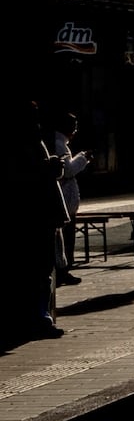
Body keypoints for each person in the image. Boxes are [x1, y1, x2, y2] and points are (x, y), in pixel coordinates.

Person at [8, 100, 68, 339]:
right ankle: (39, 317)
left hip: (39, 212)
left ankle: (39, 315)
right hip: (34, 212)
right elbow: (23, 176)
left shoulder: (33, 140)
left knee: (40, 267)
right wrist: (50, 165)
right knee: (39, 267)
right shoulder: (23, 143)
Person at [52, 111, 92, 286]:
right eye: (74, 127)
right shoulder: (59, 144)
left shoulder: (60, 143)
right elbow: (67, 170)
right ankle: (63, 270)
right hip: (65, 199)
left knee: (65, 239)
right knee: (65, 239)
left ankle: (64, 269)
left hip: (67, 199)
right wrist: (83, 158)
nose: (75, 131)